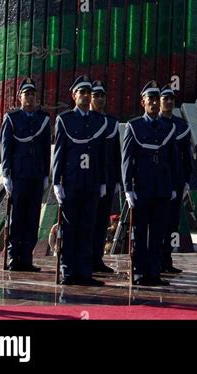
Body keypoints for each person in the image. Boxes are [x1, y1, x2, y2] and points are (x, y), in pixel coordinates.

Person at [52, 75, 108, 286]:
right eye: (81, 92)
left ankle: (85, 273)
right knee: (69, 228)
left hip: (92, 182)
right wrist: (57, 181)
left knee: (87, 229)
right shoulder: (64, 120)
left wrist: (103, 181)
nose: (85, 96)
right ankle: (68, 272)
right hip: (72, 183)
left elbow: (102, 154)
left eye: (87, 92)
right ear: (74, 96)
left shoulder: (99, 121)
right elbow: (59, 152)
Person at [121, 81, 178, 286]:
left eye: (156, 99)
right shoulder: (134, 126)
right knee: (139, 232)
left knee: (158, 234)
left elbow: (173, 160)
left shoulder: (169, 127)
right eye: (150, 99)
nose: (154, 103)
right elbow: (127, 160)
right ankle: (139, 272)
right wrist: (128, 188)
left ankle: (155, 272)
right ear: (143, 102)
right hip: (142, 188)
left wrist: (173, 186)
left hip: (162, 188)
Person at [0, 78, 51, 272]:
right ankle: (13, 257)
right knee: (17, 218)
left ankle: (27, 258)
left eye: (32, 94)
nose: (30, 97)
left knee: (32, 218)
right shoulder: (12, 118)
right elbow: (6, 148)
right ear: (19, 97)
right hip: (18, 175)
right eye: (26, 94)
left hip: (36, 175)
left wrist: (46, 174)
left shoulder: (43, 119)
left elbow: (46, 149)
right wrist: (6, 174)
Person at [159, 83, 193, 274]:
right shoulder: (156, 124)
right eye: (166, 99)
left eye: (171, 99)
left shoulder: (181, 125)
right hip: (159, 181)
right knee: (158, 222)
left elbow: (186, 156)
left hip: (177, 180)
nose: (169, 102)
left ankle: (167, 258)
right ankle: (156, 259)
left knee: (172, 222)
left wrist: (187, 179)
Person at [90, 80, 121, 274]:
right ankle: (84, 258)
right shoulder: (86, 120)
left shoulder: (111, 122)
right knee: (88, 221)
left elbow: (116, 152)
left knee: (102, 221)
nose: (99, 99)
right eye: (96, 96)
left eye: (102, 95)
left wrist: (117, 178)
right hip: (90, 179)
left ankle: (97, 258)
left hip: (108, 179)